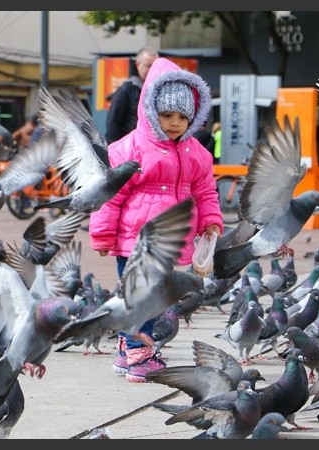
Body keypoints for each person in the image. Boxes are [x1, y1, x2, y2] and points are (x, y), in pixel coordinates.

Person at [89, 57, 223, 383]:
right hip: (134, 239)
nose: (175, 123)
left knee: (155, 298)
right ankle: (139, 354)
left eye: (183, 117)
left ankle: (128, 350)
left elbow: (206, 191)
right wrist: (103, 234)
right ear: (150, 110)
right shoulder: (129, 149)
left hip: (169, 241)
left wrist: (210, 220)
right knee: (141, 297)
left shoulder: (196, 153)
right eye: (167, 115)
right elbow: (109, 194)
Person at [104, 46, 159, 144]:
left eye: (155, 66)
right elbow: (113, 123)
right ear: (138, 65)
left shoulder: (159, 89)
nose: (152, 70)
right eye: (148, 65)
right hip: (129, 147)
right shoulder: (127, 89)